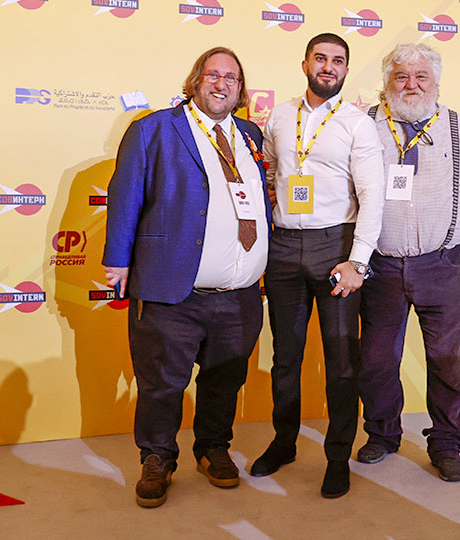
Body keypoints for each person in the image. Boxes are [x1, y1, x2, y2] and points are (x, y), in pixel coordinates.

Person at [103, 46, 271, 507]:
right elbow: (125, 196)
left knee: (224, 380)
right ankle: (157, 457)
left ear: (240, 89)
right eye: (213, 75)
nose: (221, 84)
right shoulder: (154, 129)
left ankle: (213, 448)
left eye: (231, 78)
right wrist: (118, 260)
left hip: (239, 294)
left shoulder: (250, 135)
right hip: (172, 288)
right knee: (162, 383)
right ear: (195, 81)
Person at [356, 43, 460, 482]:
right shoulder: (365, 125)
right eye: (401, 76)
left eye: (420, 76)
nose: (411, 85)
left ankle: (446, 441)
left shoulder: (457, 127)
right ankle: (382, 434)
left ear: (435, 82)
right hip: (380, 268)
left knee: (448, 359)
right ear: (387, 82)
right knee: (376, 360)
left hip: (442, 266)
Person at [249, 33, 384, 499]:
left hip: (337, 247)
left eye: (338, 61)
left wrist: (358, 262)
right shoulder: (279, 117)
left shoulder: (357, 124)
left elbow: (372, 196)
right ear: (304, 64)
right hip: (285, 246)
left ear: (346, 69)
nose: (329, 66)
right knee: (285, 357)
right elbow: (269, 174)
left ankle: (337, 456)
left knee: (341, 361)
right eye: (321, 58)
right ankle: (284, 442)